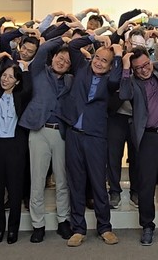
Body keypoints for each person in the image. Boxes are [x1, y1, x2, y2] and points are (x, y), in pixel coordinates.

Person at [120, 30, 158, 246]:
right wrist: (126, 67)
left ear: (150, 60)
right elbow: (123, 95)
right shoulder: (132, 82)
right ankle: (147, 226)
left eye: (146, 64)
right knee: (146, 184)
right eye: (138, 68)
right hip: (147, 138)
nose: (144, 69)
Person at [59, 34, 123, 247]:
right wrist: (94, 37)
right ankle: (78, 229)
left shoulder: (110, 80)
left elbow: (116, 79)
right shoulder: (81, 68)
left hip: (95, 136)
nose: (99, 62)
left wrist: (118, 55)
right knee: (76, 183)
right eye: (97, 57)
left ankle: (105, 227)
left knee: (98, 183)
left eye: (105, 61)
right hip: (74, 135)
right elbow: (73, 45)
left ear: (110, 65)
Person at [18, 35, 74, 243]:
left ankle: (63, 221)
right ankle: (38, 224)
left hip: (61, 133)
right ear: (53, 57)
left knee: (62, 180)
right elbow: (42, 50)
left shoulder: (71, 80)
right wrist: (62, 39)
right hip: (38, 130)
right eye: (60, 57)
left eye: (67, 61)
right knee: (37, 180)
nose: (62, 62)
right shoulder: (39, 71)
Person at [0, 52, 32, 244]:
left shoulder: (20, 96)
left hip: (15, 148)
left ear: (17, 81)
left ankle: (13, 230)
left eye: (11, 77)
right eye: (4, 75)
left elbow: (29, 88)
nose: (5, 79)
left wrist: (25, 70)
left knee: (15, 190)